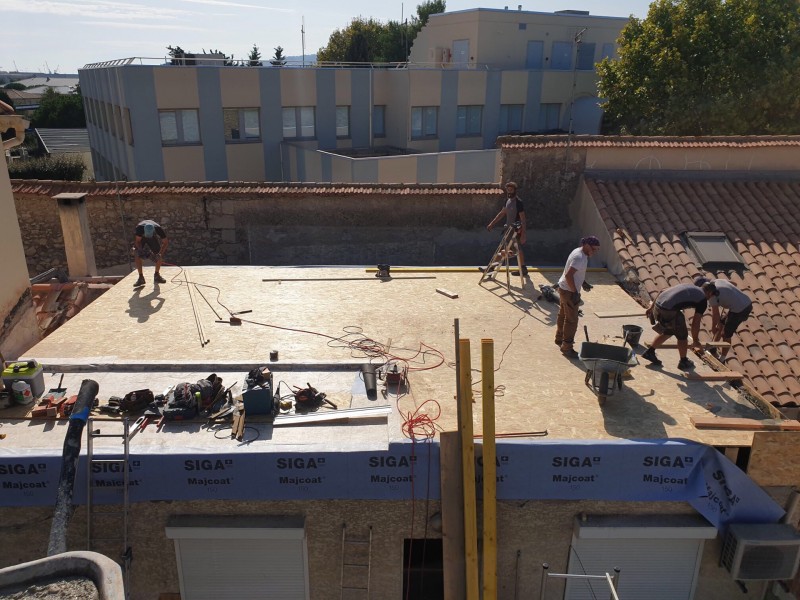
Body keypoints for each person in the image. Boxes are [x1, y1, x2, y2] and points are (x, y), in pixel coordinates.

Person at [641, 281, 717, 370]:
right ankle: (683, 361)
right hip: (668, 310)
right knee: (682, 335)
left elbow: (662, 291)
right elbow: (696, 322)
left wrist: (651, 308)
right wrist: (696, 341)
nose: (710, 298)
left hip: (658, 305)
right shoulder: (702, 300)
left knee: (669, 331)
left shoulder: (690, 286)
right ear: (710, 293)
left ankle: (650, 352)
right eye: (712, 296)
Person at [555, 236, 600, 358]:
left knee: (563, 314)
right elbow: (569, 275)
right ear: (586, 245)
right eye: (593, 249)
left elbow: (575, 273)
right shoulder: (579, 257)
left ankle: (559, 339)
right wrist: (575, 292)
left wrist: (583, 282)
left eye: (596, 250)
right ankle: (567, 347)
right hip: (569, 291)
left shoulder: (578, 252)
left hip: (564, 288)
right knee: (572, 320)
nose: (594, 252)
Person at [694, 276, 752, 364]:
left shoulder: (711, 296)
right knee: (721, 323)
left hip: (741, 310)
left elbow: (716, 314)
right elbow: (734, 284)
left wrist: (713, 327)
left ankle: (722, 359)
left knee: (726, 334)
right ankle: (713, 347)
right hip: (745, 302)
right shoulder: (718, 281)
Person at [485, 181, 528, 276]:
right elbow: (502, 213)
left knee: (508, 250)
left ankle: (491, 268)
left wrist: (523, 234)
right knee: (511, 249)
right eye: (508, 189)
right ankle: (523, 269)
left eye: (511, 190)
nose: (509, 191)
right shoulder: (507, 201)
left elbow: (523, 218)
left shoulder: (518, 202)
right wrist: (492, 224)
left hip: (515, 230)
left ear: (515, 190)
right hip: (508, 230)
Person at [133, 219, 168, 288]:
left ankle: (157, 275)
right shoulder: (139, 229)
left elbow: (165, 242)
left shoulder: (158, 229)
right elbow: (137, 241)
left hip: (152, 237)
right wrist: (140, 250)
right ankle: (141, 278)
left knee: (158, 255)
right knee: (137, 254)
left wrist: (160, 254)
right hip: (141, 237)